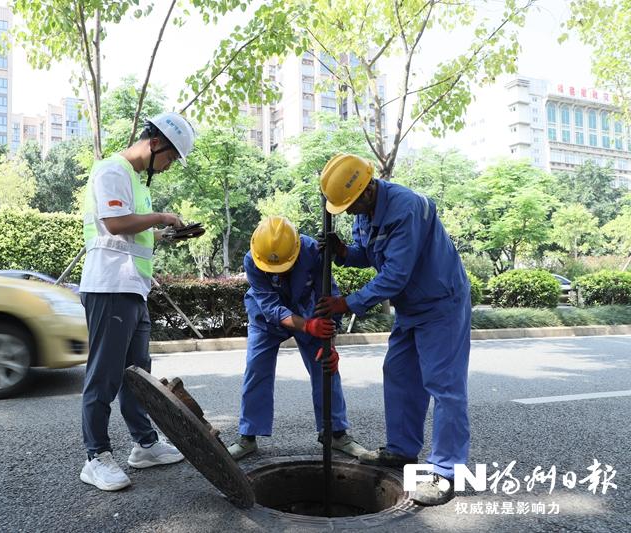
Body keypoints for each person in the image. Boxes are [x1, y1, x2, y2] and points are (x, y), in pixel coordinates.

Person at [315, 154, 471, 506]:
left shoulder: (406, 207)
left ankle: (446, 471)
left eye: (351, 204)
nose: (349, 212)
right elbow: (370, 255)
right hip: (411, 306)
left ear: (368, 189)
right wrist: (343, 252)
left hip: (440, 303)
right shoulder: (366, 211)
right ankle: (402, 450)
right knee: (399, 372)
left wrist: (348, 303)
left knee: (444, 385)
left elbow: (395, 273)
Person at [78, 112, 196, 492]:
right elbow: (114, 224)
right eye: (172, 157)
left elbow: (131, 231)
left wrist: (161, 233)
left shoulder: (136, 182)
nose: (169, 165)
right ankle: (95, 456)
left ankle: (144, 444)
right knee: (105, 374)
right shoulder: (112, 170)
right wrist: (161, 216)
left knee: (136, 374)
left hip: (131, 288)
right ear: (156, 142)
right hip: (110, 287)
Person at [227, 216, 366, 460]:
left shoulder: (314, 250)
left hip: (309, 310)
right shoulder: (253, 259)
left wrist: (330, 344)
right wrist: (307, 326)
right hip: (266, 320)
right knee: (256, 369)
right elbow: (270, 306)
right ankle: (248, 436)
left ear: (296, 249)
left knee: (326, 366)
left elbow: (329, 296)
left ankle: (335, 433)